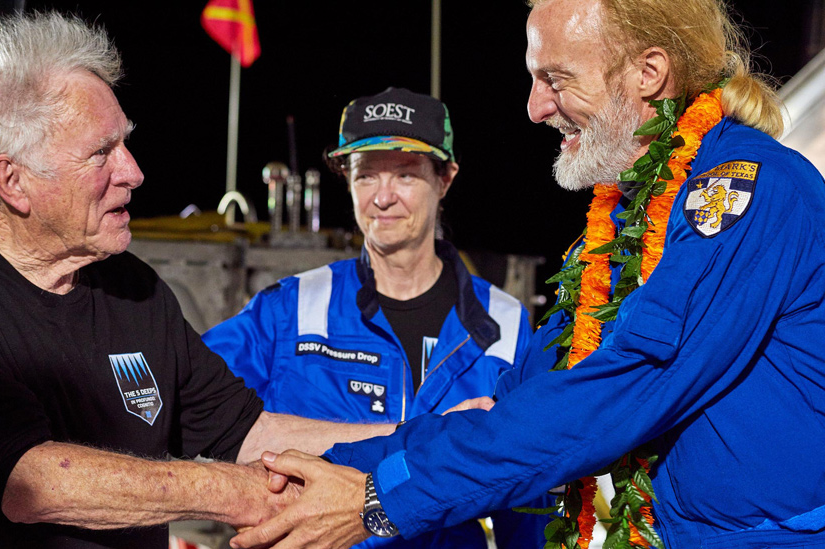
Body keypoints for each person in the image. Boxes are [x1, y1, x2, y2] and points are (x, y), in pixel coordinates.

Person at [228, 0, 825, 548]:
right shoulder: (619, 232)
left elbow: (627, 385)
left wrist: (378, 500)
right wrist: (336, 474)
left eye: (555, 79)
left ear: (649, 74)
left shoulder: (750, 193)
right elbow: (512, 408)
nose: (534, 108)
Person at [0, 12, 394, 548]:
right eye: (102, 152)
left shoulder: (135, 290)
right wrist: (238, 493)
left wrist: (417, 438)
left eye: (124, 144)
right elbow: (33, 483)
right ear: (14, 181)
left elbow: (247, 432)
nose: (134, 171)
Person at [203, 87, 545, 548]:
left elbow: (529, 500)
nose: (383, 198)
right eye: (365, 176)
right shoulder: (288, 310)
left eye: (405, 175)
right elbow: (187, 402)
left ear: (445, 178)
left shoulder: (504, 325)